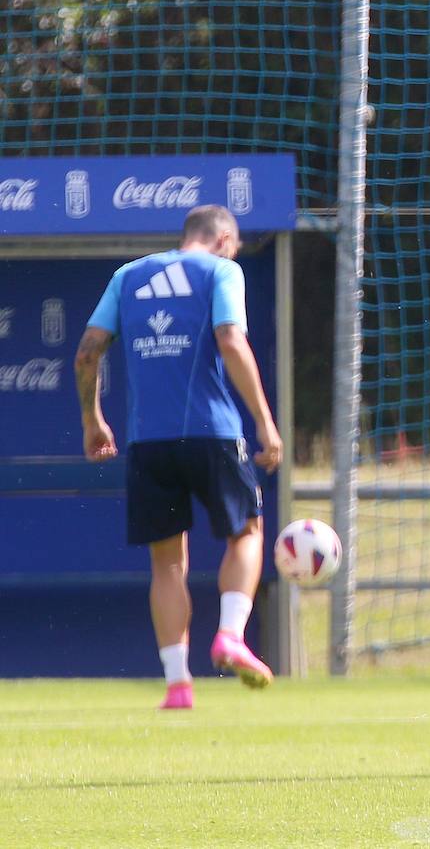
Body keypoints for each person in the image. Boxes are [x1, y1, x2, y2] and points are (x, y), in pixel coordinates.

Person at [74, 204, 284, 710]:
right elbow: (231, 340)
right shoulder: (221, 270)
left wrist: (92, 420)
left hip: (150, 442)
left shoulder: (128, 276)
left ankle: (177, 684)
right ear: (225, 239)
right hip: (214, 433)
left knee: (167, 564)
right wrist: (264, 421)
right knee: (248, 532)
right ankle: (231, 635)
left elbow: (86, 352)